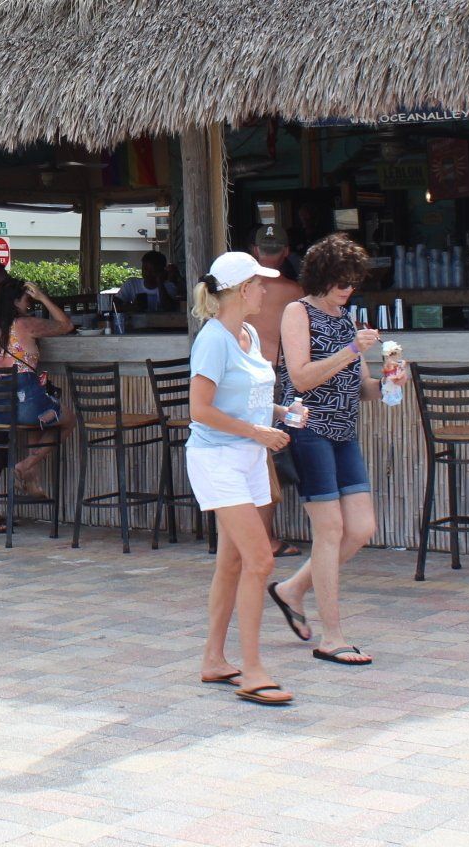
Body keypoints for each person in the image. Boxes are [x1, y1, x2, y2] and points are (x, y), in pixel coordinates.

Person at [189, 250, 303, 707]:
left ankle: (214, 659)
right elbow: (201, 410)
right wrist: (258, 430)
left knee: (234, 563)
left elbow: (246, 398)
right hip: (218, 460)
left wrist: (282, 413)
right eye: (259, 283)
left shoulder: (248, 333)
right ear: (240, 290)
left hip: (249, 457)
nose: (266, 289)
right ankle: (253, 670)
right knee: (261, 562)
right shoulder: (213, 339)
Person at [267, 234, 385, 668]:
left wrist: (390, 381)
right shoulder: (297, 312)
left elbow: (364, 389)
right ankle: (332, 637)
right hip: (308, 428)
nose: (347, 289)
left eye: (352, 282)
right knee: (330, 530)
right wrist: (351, 349)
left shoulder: (349, 319)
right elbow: (300, 378)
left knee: (361, 528)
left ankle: (292, 588)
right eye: (340, 281)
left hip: (344, 430)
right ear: (321, 277)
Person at [0, 277, 72, 532]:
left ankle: (30, 474)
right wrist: (44, 297)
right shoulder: (25, 324)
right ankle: (26, 465)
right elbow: (66, 325)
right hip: (25, 403)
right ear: (16, 301)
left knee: (40, 422)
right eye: (27, 299)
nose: (30, 303)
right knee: (67, 419)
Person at [248, 228, 307, 559]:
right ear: (285, 252)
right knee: (267, 460)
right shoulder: (293, 290)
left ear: (256, 249)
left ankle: (247, 537)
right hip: (273, 377)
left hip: (241, 379)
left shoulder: (240, 289)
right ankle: (265, 539)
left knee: (253, 457)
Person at [116, 250, 184, 313]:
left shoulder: (170, 286)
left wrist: (160, 283)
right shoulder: (131, 284)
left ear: (161, 271)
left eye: (153, 270)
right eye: (145, 269)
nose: (148, 273)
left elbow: (169, 309)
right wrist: (131, 307)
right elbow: (114, 305)